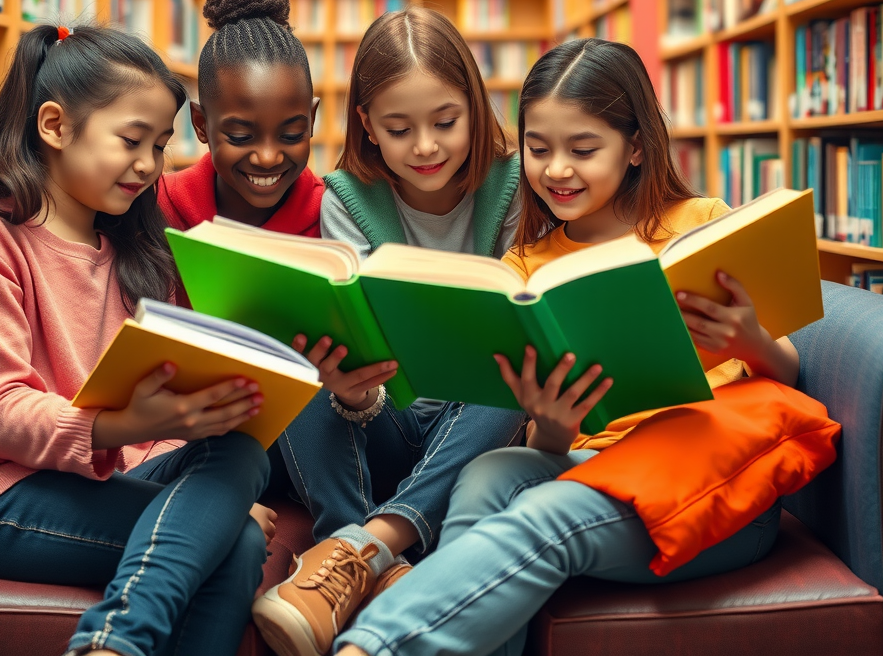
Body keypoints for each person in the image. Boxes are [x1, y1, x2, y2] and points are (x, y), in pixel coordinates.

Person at [332, 36, 801, 656]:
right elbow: (541, 444)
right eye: (538, 148)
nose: (556, 169)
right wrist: (552, 427)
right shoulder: (526, 265)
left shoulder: (700, 221)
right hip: (593, 464)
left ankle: (373, 644)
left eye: (583, 149)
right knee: (487, 472)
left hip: (707, 479)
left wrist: (749, 339)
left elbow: (789, 371)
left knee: (541, 517)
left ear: (636, 146)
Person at [0, 24, 275, 656]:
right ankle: (114, 642)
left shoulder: (132, 249)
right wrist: (118, 426)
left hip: (111, 477)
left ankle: (114, 644)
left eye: (161, 145)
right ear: (55, 126)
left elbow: (156, 425)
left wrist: (203, 494)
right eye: (131, 140)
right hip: (4, 498)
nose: (149, 165)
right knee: (239, 546)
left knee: (244, 451)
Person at [253, 6, 526, 656]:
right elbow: (355, 338)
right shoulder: (345, 198)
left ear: (476, 107)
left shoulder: (513, 186)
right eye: (400, 128)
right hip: (380, 418)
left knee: (514, 372)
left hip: (475, 429)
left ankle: (358, 551)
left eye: (446, 122)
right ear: (368, 124)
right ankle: (360, 551)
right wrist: (351, 390)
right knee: (299, 359)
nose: (426, 146)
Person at [159, 0, 323, 236]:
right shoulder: (157, 208)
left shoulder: (333, 217)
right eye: (241, 136)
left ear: (311, 119)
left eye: (291, 135)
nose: (268, 158)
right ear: (200, 124)